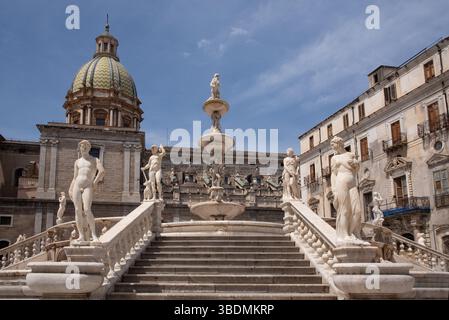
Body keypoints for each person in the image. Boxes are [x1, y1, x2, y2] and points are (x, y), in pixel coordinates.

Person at [330, 136, 368, 246]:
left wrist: (357, 166)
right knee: (344, 209)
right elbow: (333, 174)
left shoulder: (350, 155)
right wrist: (334, 190)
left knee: (357, 210)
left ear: (339, 143)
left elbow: (355, 171)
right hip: (341, 181)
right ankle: (344, 234)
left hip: (352, 182)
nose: (332, 147)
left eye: (333, 145)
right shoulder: (334, 158)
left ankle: (354, 233)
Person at [69, 140, 105, 242]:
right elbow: (75, 177)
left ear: (89, 148)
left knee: (87, 209)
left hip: (88, 185)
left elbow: (102, 171)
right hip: (77, 185)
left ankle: (94, 234)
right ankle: (81, 235)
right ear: (79, 148)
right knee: (77, 210)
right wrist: (70, 188)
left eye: (85, 146)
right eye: (82, 146)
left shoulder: (94, 160)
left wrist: (95, 182)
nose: (83, 148)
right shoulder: (77, 162)